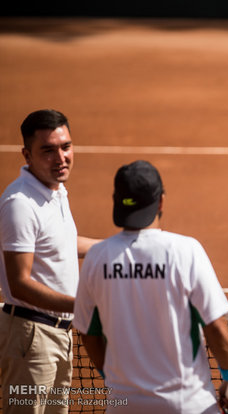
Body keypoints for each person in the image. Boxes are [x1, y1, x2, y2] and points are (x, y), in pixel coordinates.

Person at [72, 160, 228, 413]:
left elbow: (88, 333)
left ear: (116, 201)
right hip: (188, 404)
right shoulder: (186, 250)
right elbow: (215, 325)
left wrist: (114, 380)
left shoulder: (97, 257)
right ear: (160, 201)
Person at [0, 109, 99, 413]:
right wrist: (81, 304)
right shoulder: (21, 204)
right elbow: (19, 284)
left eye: (65, 146)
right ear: (27, 154)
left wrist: (120, 247)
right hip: (32, 338)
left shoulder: (55, 191)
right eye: (48, 150)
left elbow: (64, 244)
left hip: (59, 334)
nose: (61, 158)